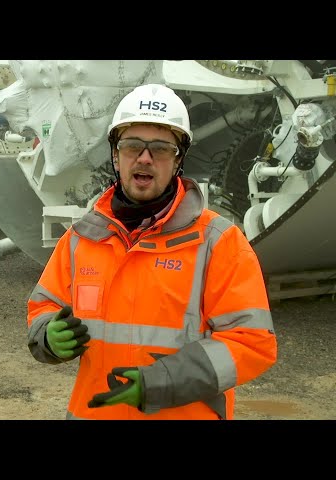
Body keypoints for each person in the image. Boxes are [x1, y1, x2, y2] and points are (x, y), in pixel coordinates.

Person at [26, 83, 277, 420]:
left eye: (160, 148)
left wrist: (161, 382)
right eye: (132, 146)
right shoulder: (81, 239)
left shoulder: (218, 242)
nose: (144, 158)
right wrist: (47, 338)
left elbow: (252, 342)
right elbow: (44, 306)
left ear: (178, 160)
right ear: (116, 155)